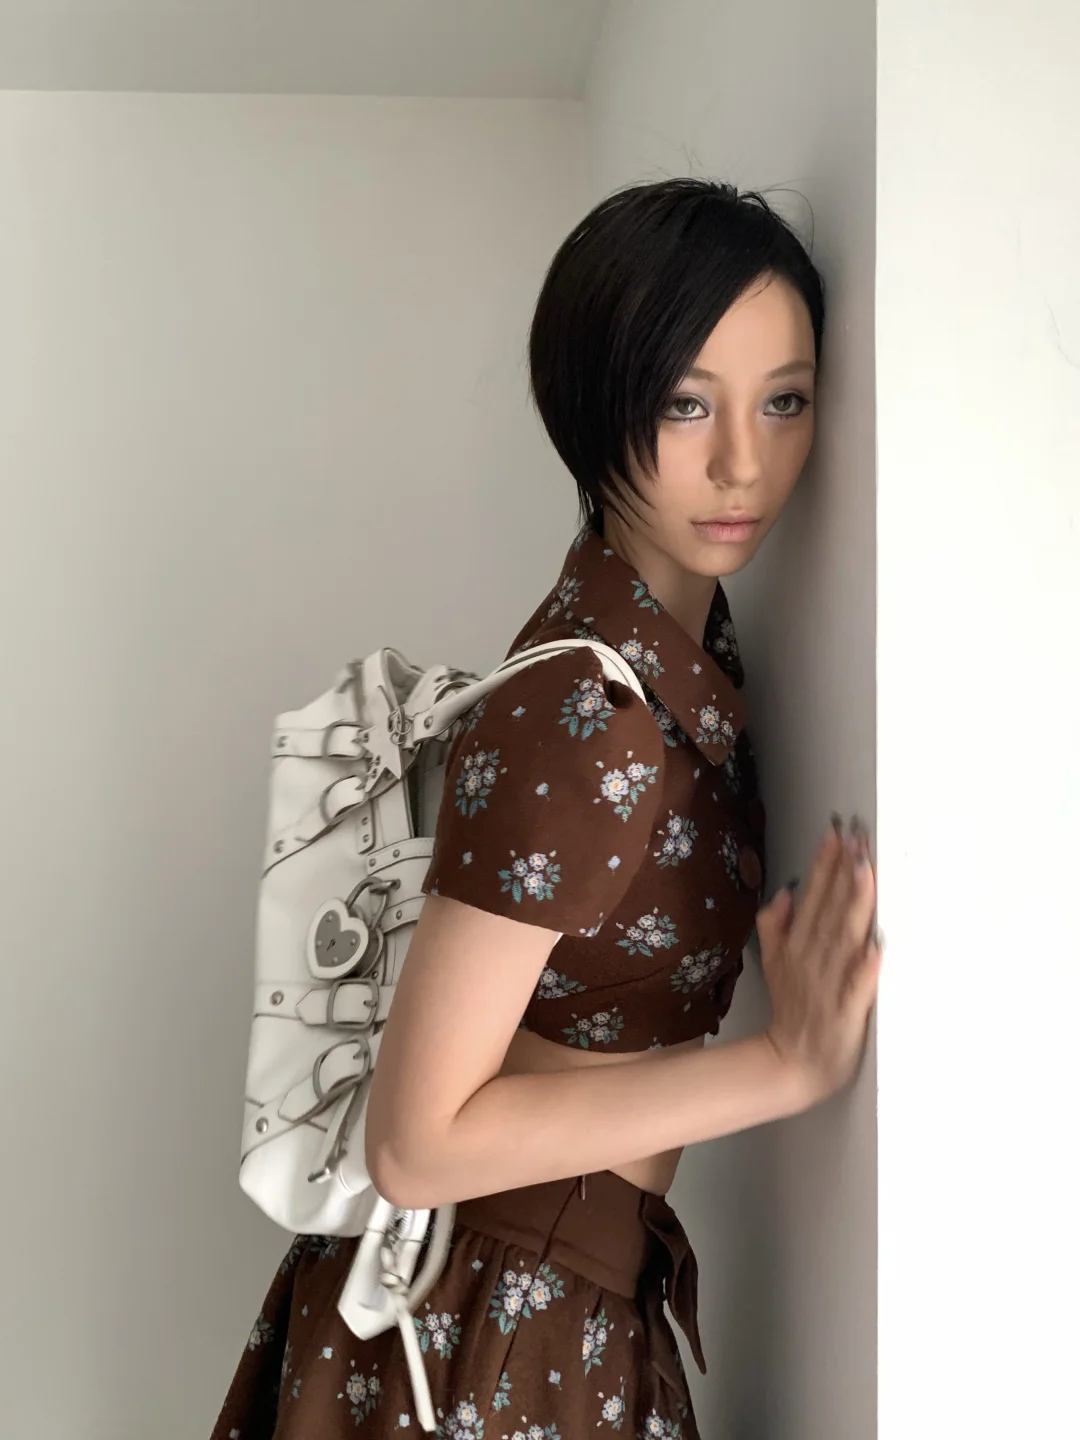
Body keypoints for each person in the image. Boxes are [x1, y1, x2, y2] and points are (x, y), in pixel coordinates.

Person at [211, 177, 881, 1440]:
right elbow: (417, 1143)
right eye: (685, 404)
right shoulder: (588, 708)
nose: (743, 460)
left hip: (552, 1308)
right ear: (592, 404)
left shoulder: (678, 677)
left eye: (785, 401)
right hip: (481, 1325)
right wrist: (783, 1064)